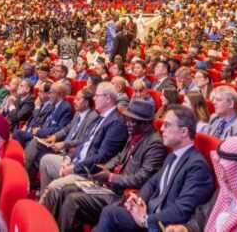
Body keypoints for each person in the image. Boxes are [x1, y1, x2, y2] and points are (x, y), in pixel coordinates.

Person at [45, 99, 167, 232]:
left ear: (146, 124)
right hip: (112, 187)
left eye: (133, 121)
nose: (128, 124)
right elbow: (119, 157)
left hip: (123, 195)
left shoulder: (155, 144)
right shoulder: (135, 134)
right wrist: (104, 169)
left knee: (73, 200)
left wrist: (111, 177)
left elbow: (142, 178)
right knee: (66, 190)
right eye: (127, 119)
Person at [92, 105, 215, 232]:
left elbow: (182, 210)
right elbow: (151, 183)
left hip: (165, 226)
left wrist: (146, 220)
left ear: (183, 132)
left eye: (167, 125)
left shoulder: (197, 166)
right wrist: (139, 201)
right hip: (149, 214)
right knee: (110, 212)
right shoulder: (173, 156)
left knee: (110, 213)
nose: (161, 129)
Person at [39, 82, 128, 193]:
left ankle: (46, 205)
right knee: (46, 160)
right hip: (78, 162)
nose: (94, 98)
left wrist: (75, 168)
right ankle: (46, 205)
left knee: (54, 187)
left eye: (97, 95)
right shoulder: (100, 117)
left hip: (87, 170)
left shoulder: (116, 123)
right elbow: (84, 143)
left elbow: (102, 156)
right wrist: (68, 158)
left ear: (108, 98)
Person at [24, 89, 98, 189]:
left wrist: (64, 143)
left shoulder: (93, 117)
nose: (74, 101)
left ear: (86, 102)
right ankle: (28, 181)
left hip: (70, 152)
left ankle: (25, 179)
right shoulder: (78, 114)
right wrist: (55, 136)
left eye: (78, 99)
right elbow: (67, 129)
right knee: (36, 143)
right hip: (61, 147)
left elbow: (84, 140)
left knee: (36, 148)